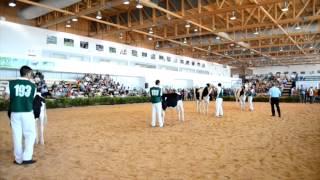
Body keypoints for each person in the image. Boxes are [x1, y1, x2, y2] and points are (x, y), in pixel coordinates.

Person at [4, 66, 37, 165]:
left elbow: (6, 98)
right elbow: (32, 98)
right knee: (30, 135)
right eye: (31, 73)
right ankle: (27, 157)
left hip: (15, 112)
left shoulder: (11, 83)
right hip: (27, 112)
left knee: (17, 135)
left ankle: (18, 159)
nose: (32, 75)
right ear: (28, 73)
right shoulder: (33, 85)